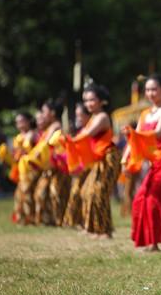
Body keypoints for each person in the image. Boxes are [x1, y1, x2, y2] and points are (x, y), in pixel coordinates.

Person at [124, 74, 161, 251]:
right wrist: (125, 158)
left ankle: (157, 242)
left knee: (154, 199)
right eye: (147, 89)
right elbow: (135, 140)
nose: (150, 93)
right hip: (152, 163)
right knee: (143, 199)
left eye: (154, 89)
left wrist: (132, 133)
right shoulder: (144, 114)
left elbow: (157, 133)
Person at [78, 84, 121, 238]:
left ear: (102, 101)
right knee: (87, 191)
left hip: (109, 157)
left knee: (99, 192)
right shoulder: (93, 117)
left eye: (91, 100)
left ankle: (104, 231)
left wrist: (69, 141)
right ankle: (95, 228)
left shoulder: (102, 116)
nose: (88, 104)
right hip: (99, 159)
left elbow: (87, 134)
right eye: (85, 100)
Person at [33, 98, 71, 226]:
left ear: (53, 113)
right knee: (44, 193)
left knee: (56, 193)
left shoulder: (56, 126)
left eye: (44, 111)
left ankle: (60, 220)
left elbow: (48, 146)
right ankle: (51, 219)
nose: (42, 115)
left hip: (58, 167)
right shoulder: (49, 128)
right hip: (50, 167)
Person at [63, 103, 91, 228]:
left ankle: (87, 223)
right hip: (81, 168)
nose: (78, 118)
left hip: (90, 168)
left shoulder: (90, 130)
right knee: (75, 194)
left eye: (81, 115)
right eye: (77, 115)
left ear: (88, 115)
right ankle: (77, 221)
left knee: (85, 194)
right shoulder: (81, 131)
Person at [9, 112, 38, 224]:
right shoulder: (18, 137)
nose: (19, 124)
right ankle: (23, 218)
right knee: (20, 195)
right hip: (21, 170)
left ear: (29, 121)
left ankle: (32, 218)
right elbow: (15, 156)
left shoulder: (33, 134)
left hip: (32, 169)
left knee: (29, 193)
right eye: (17, 122)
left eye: (21, 121)